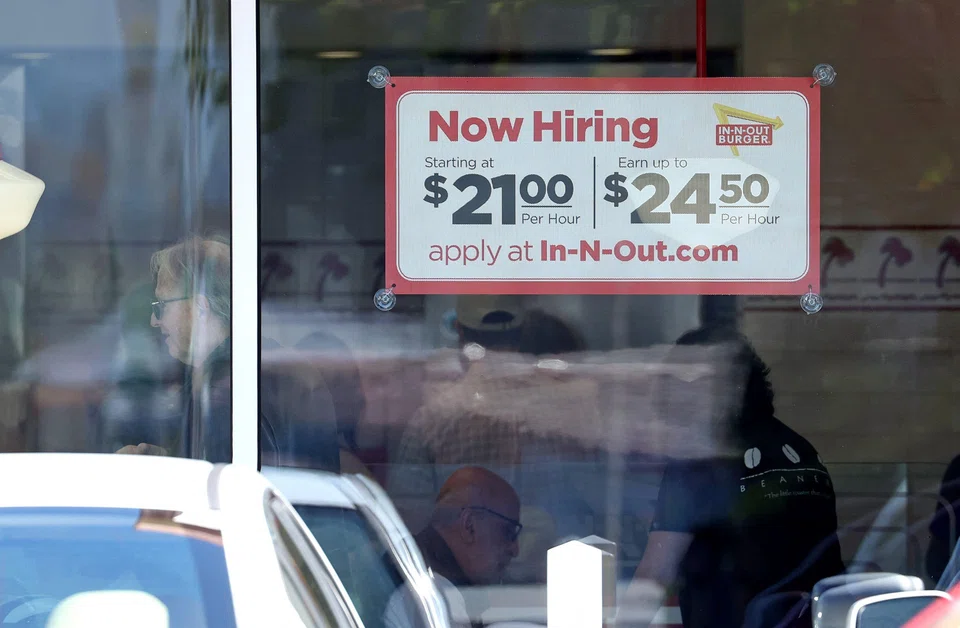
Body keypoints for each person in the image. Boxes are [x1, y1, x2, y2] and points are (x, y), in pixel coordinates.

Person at [625, 327, 844, 628]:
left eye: (683, 383)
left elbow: (655, 575)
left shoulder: (703, 459)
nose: (674, 397)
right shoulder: (800, 450)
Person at [117, 235, 279, 463]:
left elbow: (218, 490)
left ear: (200, 308)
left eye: (162, 306)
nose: (154, 320)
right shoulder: (251, 366)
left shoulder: (225, 392)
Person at [383, 466, 521, 628]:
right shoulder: (433, 594)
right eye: (508, 532)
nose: (515, 550)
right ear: (469, 525)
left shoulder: (417, 572)